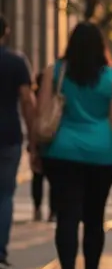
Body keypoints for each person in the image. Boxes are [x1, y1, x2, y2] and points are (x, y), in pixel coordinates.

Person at [36, 22, 112, 269]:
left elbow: (42, 114)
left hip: (62, 151)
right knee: (94, 219)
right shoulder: (111, 77)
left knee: (67, 217)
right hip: (101, 154)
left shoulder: (55, 72)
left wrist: (37, 151)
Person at [0, 15, 35, 269]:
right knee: (5, 195)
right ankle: (0, 250)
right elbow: (26, 100)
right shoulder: (16, 62)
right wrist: (34, 135)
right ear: (6, 32)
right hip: (8, 134)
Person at [31, 72, 53, 222]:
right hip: (53, 140)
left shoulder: (35, 97)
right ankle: (53, 211)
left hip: (40, 140)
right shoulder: (55, 97)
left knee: (37, 177)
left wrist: (32, 145)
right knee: (54, 179)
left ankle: (37, 207)